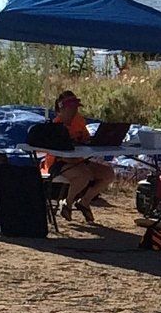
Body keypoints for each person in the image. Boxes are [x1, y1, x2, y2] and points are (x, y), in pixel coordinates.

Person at [40, 89, 112, 225]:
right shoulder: (55, 126)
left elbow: (85, 138)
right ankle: (67, 203)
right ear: (62, 109)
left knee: (108, 173)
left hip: (79, 161)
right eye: (71, 108)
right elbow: (57, 154)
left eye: (75, 108)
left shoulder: (79, 121)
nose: (74, 111)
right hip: (58, 163)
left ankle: (85, 201)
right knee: (83, 175)